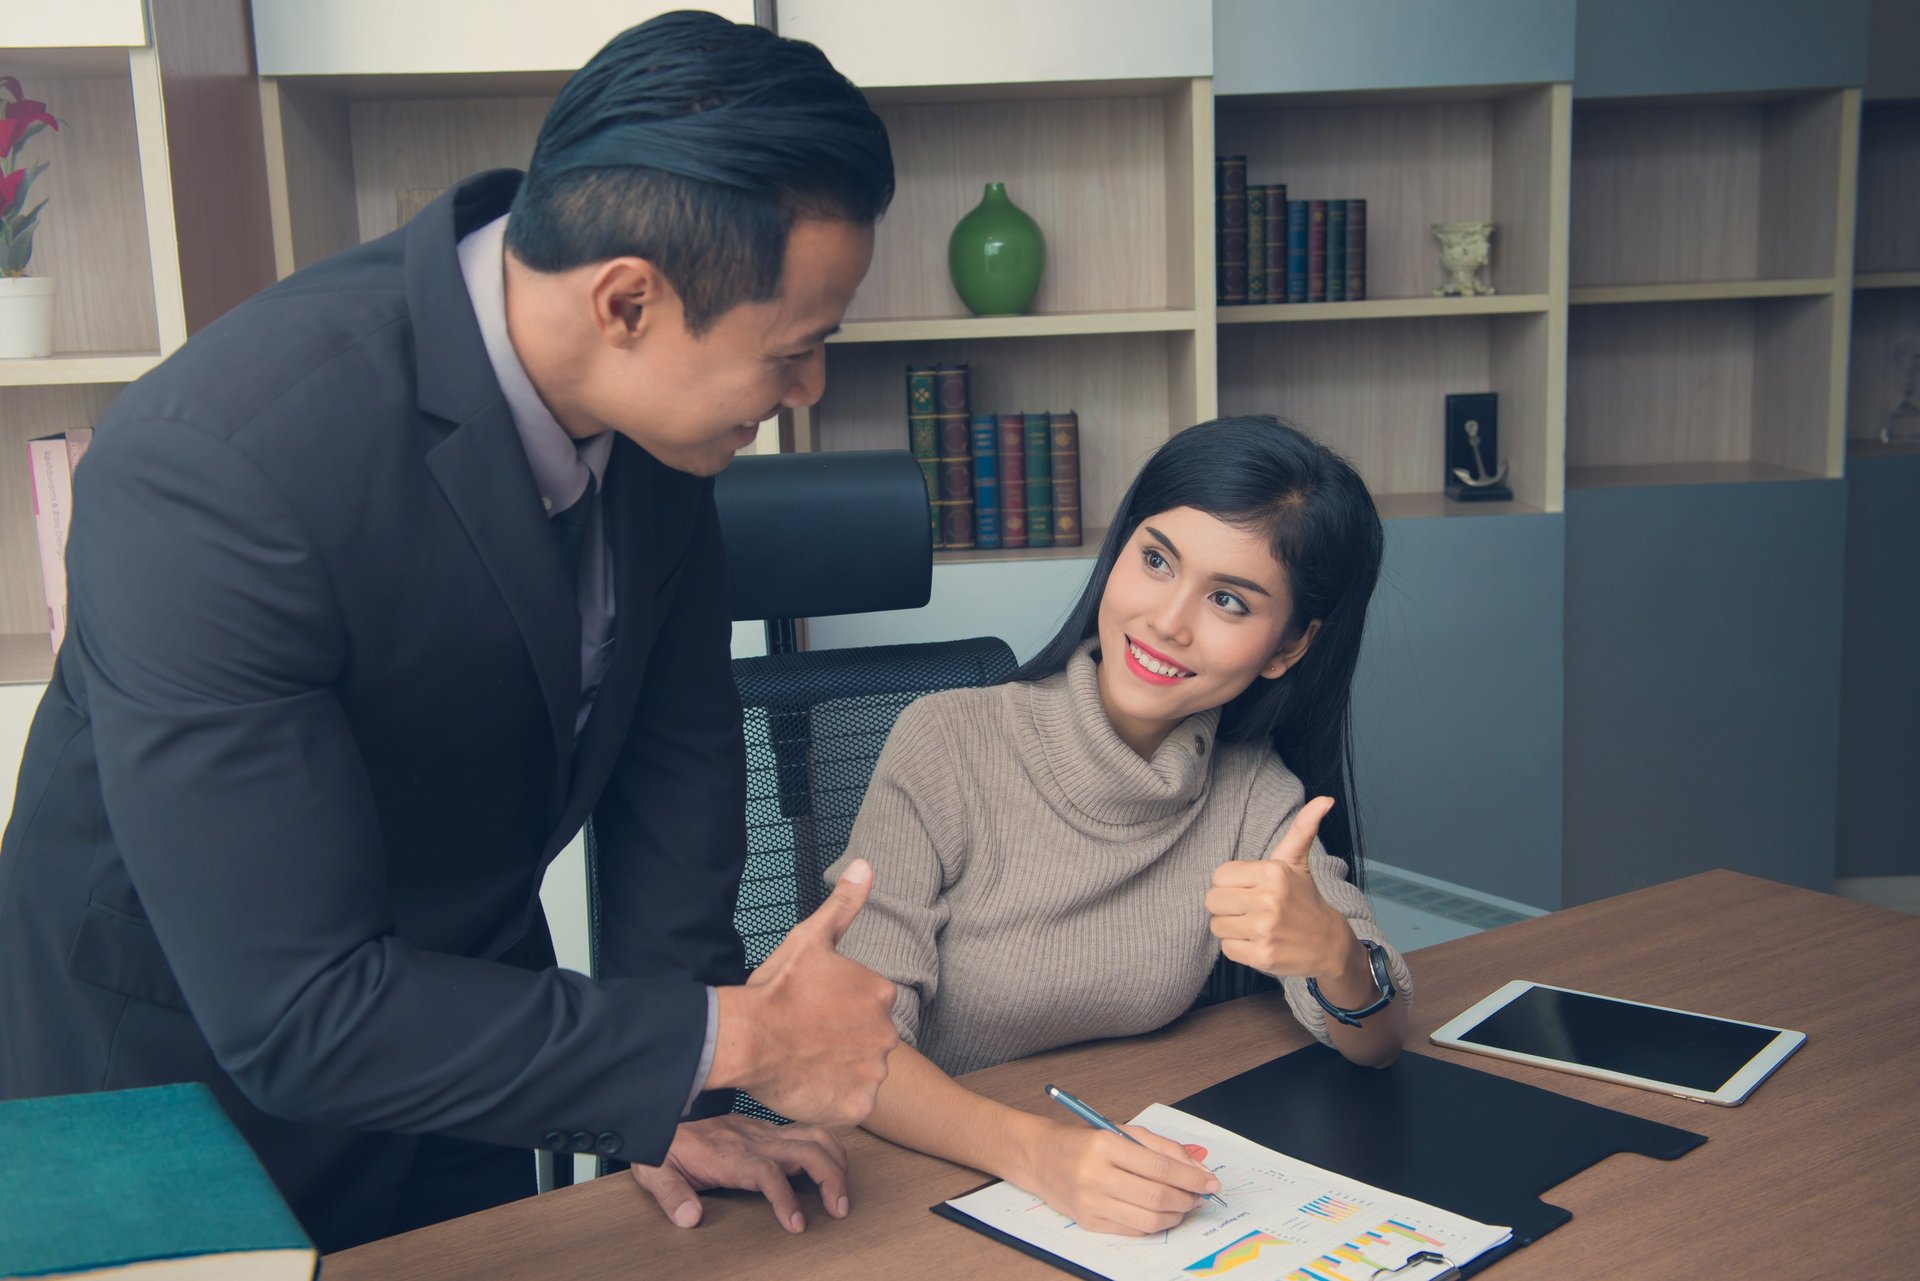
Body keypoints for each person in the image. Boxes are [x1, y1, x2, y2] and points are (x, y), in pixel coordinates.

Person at [0, 13, 903, 1251]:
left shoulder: (657, 423)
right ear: (627, 298)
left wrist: (666, 1082)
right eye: (794, 353)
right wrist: (735, 1034)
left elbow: (672, 759)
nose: (808, 394)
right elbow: (296, 1006)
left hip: (476, 1047)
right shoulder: (214, 468)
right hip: (181, 1085)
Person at [825, 416, 1413, 1238]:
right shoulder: (946, 743)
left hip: (1111, 1185)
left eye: (1228, 600)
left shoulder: (1252, 795)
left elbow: (1379, 1041)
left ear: (1288, 647)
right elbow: (850, 1045)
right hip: (921, 1191)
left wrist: (1337, 959)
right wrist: (1043, 1155)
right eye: (1156, 559)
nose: (1169, 620)